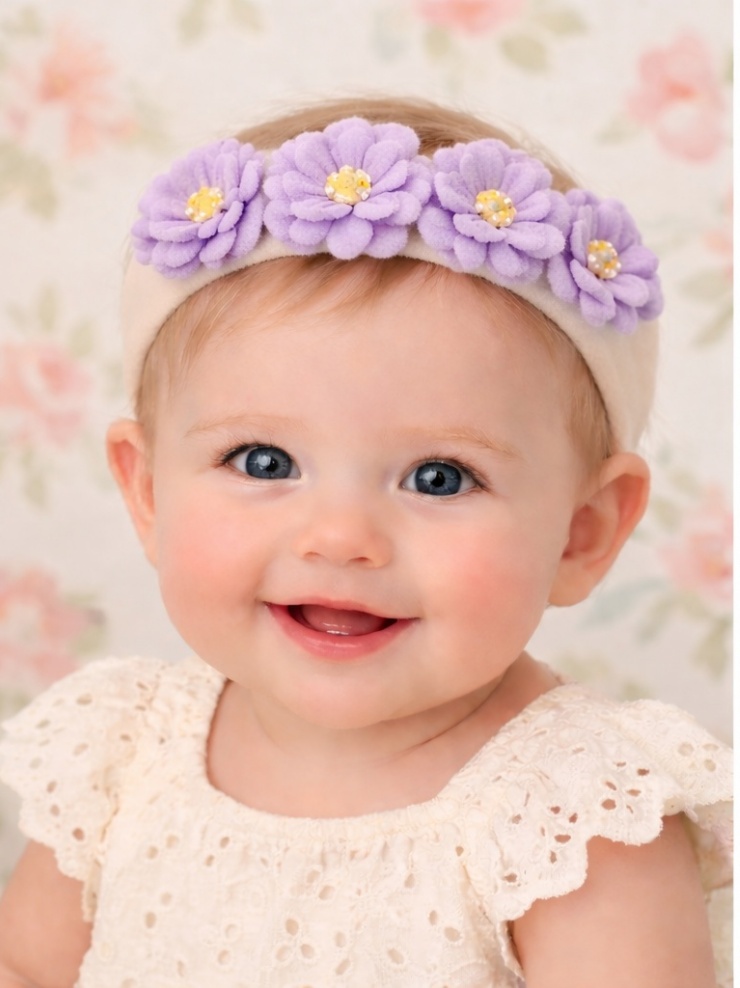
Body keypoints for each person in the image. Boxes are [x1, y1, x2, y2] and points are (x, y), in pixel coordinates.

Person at [0, 96, 731, 988]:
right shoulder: (122, 756)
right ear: (148, 491)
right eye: (263, 459)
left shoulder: (570, 822)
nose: (341, 538)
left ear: (583, 532)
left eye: (439, 477)